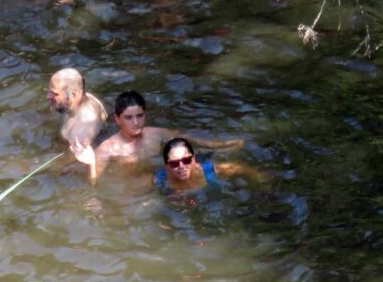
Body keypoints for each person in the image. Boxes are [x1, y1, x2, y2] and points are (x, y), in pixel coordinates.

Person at [72, 91, 242, 182]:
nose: (136, 122)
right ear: (117, 119)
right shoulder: (107, 149)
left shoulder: (155, 134)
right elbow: (93, 184)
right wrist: (91, 163)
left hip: (165, 177)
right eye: (129, 118)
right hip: (137, 186)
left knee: (217, 166)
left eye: (140, 116)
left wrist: (221, 145)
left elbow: (185, 140)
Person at [155, 138, 257, 192]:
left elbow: (240, 169)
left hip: (204, 160)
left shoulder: (209, 170)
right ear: (166, 165)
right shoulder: (160, 179)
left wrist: (260, 178)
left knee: (219, 153)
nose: (181, 166)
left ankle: (233, 145)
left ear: (193, 159)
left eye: (186, 160)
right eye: (174, 163)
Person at [47, 68, 106, 146]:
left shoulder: (81, 128)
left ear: (72, 95)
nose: (48, 96)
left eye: (54, 94)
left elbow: (73, 157)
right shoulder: (88, 98)